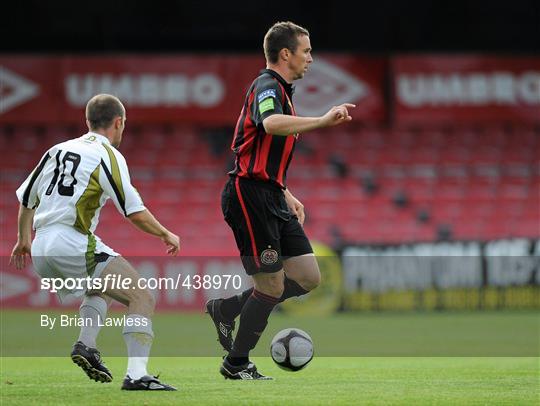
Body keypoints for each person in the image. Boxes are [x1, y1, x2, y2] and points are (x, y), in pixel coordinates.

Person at [206, 21, 355, 380]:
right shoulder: (267, 85)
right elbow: (270, 124)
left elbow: (259, 147)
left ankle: (227, 309)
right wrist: (321, 120)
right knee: (270, 286)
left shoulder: (283, 90)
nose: (310, 58)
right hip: (249, 196)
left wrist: (285, 192)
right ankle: (237, 363)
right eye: (306, 51)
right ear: (285, 54)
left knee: (307, 276)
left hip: (271, 194)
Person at [9, 94, 179, 391]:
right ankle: (137, 375)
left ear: (87, 122)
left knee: (100, 288)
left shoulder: (57, 150)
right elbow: (133, 211)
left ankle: (86, 346)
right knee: (142, 296)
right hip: (70, 240)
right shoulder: (107, 154)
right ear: (119, 122)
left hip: (40, 246)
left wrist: (23, 239)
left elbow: (26, 198)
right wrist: (165, 233)